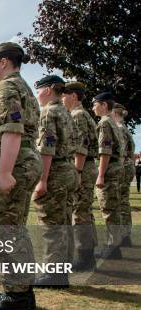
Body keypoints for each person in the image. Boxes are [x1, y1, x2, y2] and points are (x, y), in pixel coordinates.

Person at [0, 42, 41, 310]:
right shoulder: (24, 88)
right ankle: (22, 290)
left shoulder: (6, 88)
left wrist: (3, 173)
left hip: (7, 164)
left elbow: (11, 130)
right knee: (15, 229)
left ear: (3, 61)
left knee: (6, 231)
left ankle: (15, 295)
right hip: (21, 161)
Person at [32, 75, 77, 287]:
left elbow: (47, 149)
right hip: (68, 169)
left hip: (56, 171)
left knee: (51, 224)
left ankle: (54, 274)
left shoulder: (49, 112)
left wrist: (42, 180)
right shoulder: (66, 112)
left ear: (49, 89)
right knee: (65, 222)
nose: (37, 95)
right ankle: (62, 271)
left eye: (39, 90)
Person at [62, 81, 99, 271]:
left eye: (64, 95)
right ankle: (88, 254)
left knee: (80, 212)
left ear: (74, 96)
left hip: (82, 168)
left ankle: (85, 257)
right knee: (85, 211)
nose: (62, 98)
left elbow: (81, 147)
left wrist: (76, 172)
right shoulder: (83, 115)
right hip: (86, 167)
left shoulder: (77, 116)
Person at [92, 92, 124, 259]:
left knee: (108, 209)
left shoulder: (105, 123)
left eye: (95, 104)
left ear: (104, 105)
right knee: (114, 208)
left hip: (109, 170)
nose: (93, 108)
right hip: (116, 169)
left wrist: (101, 175)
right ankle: (115, 246)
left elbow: (105, 152)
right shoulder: (113, 123)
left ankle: (112, 248)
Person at [113, 103, 135, 247]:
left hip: (122, 165)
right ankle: (125, 236)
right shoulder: (124, 128)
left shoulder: (119, 129)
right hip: (127, 165)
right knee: (123, 201)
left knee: (120, 202)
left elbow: (120, 151)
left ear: (114, 113)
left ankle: (123, 236)